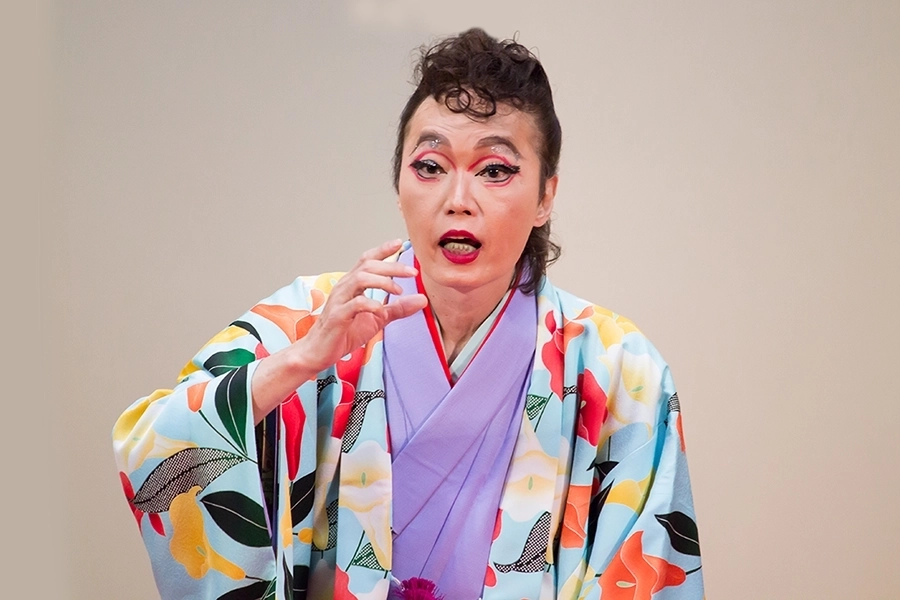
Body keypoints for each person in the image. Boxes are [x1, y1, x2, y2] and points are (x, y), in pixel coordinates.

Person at [113, 28, 704, 599]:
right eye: (430, 166)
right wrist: (301, 360)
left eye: (495, 170)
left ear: (546, 195)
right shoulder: (311, 319)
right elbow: (155, 442)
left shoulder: (618, 368)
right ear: (399, 182)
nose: (458, 200)